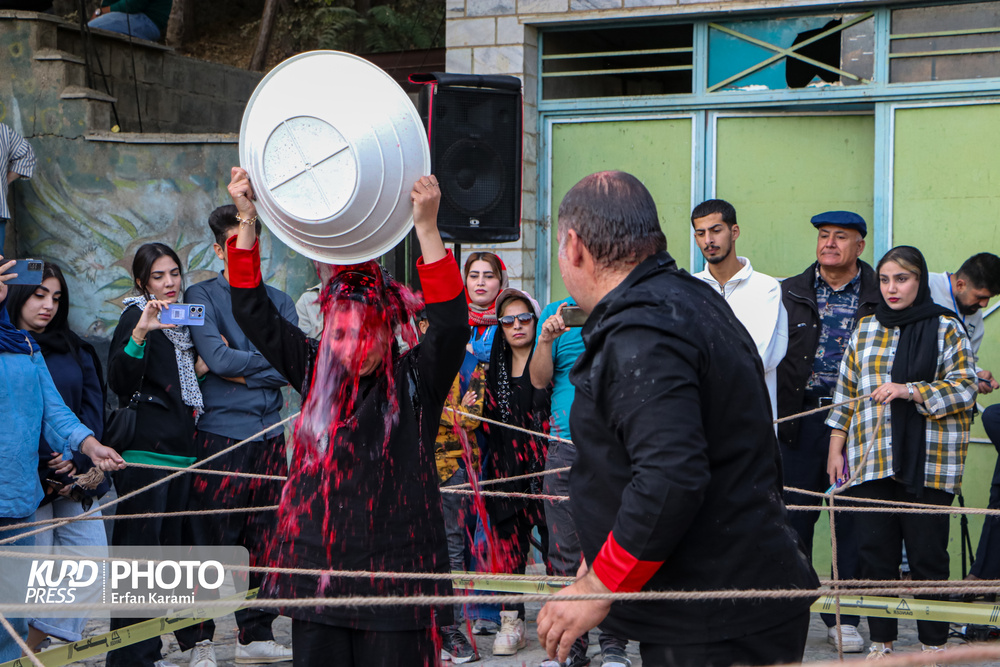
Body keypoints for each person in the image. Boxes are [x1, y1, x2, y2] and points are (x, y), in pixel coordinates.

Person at [535, 171, 818, 667]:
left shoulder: (645, 328)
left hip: (716, 614)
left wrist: (601, 583)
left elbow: (671, 477)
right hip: (724, 598)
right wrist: (601, 550)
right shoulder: (689, 298)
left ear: (574, 247)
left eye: (560, 247)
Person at [226, 167, 467, 666]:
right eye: (339, 333)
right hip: (320, 572)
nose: (352, 346)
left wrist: (426, 228)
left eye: (366, 332)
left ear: (389, 330)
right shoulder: (315, 371)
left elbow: (450, 323)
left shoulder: (416, 380)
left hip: (401, 579)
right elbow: (252, 309)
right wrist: (248, 218)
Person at [826, 245, 977, 659]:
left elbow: (965, 388)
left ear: (920, 281)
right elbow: (846, 393)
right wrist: (836, 447)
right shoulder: (865, 328)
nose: (892, 288)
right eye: (886, 280)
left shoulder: (946, 327)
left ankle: (933, 645)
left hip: (929, 462)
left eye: (903, 279)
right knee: (875, 555)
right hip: (870, 457)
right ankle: (883, 644)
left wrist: (910, 391)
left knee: (929, 558)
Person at [180, 205, 296, 667]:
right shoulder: (199, 295)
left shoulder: (280, 301)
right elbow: (216, 359)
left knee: (267, 536)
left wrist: (238, 368)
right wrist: (256, 367)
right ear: (218, 249)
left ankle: (255, 635)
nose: (244, 249)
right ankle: (200, 640)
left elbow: (290, 366)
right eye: (233, 243)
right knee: (211, 538)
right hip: (218, 436)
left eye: (250, 241)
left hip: (270, 437)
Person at [0, 254, 123, 662]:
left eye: (54, 296)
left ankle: (25, 653)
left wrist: (89, 447)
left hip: (18, 497)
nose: (47, 305)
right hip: (27, 490)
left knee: (11, 613)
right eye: (38, 294)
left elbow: (55, 411)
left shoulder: (26, 347)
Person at [775, 210, 880, 652]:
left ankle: (845, 616)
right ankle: (788, 609)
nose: (830, 244)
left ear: (860, 246)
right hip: (798, 421)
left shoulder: (880, 295)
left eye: (841, 237)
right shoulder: (787, 292)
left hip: (858, 424)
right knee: (793, 518)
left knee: (852, 522)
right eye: (823, 236)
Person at [105, 242, 212, 667]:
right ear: (141, 282)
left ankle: (151, 650)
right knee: (138, 566)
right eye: (158, 277)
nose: (169, 283)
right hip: (148, 458)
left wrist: (202, 365)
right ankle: (130, 659)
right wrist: (140, 332)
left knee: (166, 567)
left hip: (182, 457)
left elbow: (175, 384)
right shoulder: (137, 315)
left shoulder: (182, 320)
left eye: (174, 274)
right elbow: (119, 379)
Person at [530, 296, 631, 667]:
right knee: (562, 549)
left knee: (613, 544)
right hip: (563, 444)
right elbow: (539, 381)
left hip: (615, 446)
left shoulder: (627, 306)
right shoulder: (556, 311)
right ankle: (568, 646)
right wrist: (544, 340)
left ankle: (614, 644)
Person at [479, 288, 549, 658]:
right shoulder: (496, 368)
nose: (517, 326)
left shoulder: (548, 358)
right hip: (508, 469)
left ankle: (561, 618)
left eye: (524, 319)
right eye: (508, 321)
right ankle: (512, 621)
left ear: (535, 322)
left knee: (557, 548)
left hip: (548, 468)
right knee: (508, 551)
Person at [691, 198, 787, 425]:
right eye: (701, 233)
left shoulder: (766, 288)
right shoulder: (690, 288)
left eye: (716, 230)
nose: (708, 240)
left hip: (751, 421)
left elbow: (757, 358)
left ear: (734, 232)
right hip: (701, 423)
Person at [434, 344, 485, 664]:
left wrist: (445, 410)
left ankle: (448, 628)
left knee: (453, 548)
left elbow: (473, 417)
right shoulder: (413, 359)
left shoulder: (473, 364)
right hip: (415, 465)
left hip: (456, 470)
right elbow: (416, 407)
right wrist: (453, 411)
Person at [929, 253, 1000, 395]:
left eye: (989, 298)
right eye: (980, 297)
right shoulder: (927, 286)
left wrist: (977, 375)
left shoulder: (975, 314)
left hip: (945, 398)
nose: (984, 304)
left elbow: (965, 362)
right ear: (960, 285)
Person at [0, 122, 36, 253]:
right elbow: (27, 154)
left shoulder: (2, 131)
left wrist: (5, 181)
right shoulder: (2, 131)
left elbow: (27, 154)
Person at [89, 0, 173, 42]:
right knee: (90, 28)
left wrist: (102, 12)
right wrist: (100, 13)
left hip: (149, 21)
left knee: (93, 28)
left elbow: (133, 4)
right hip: (130, 15)